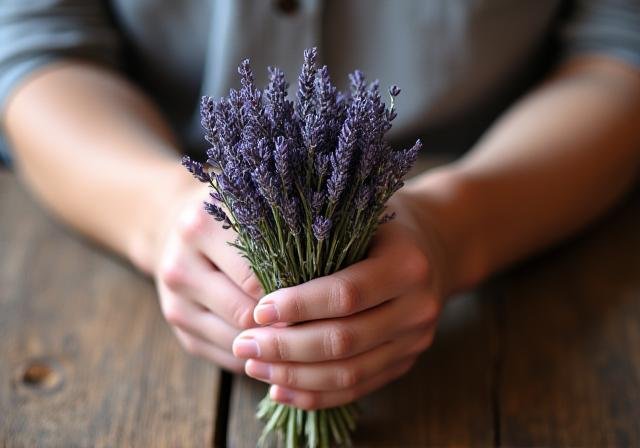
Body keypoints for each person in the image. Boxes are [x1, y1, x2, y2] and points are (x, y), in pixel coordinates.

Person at [1, 0, 639, 411]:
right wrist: (157, 208)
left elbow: (620, 47)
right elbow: (34, 42)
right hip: (141, 171)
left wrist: (455, 229)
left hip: (521, 192)